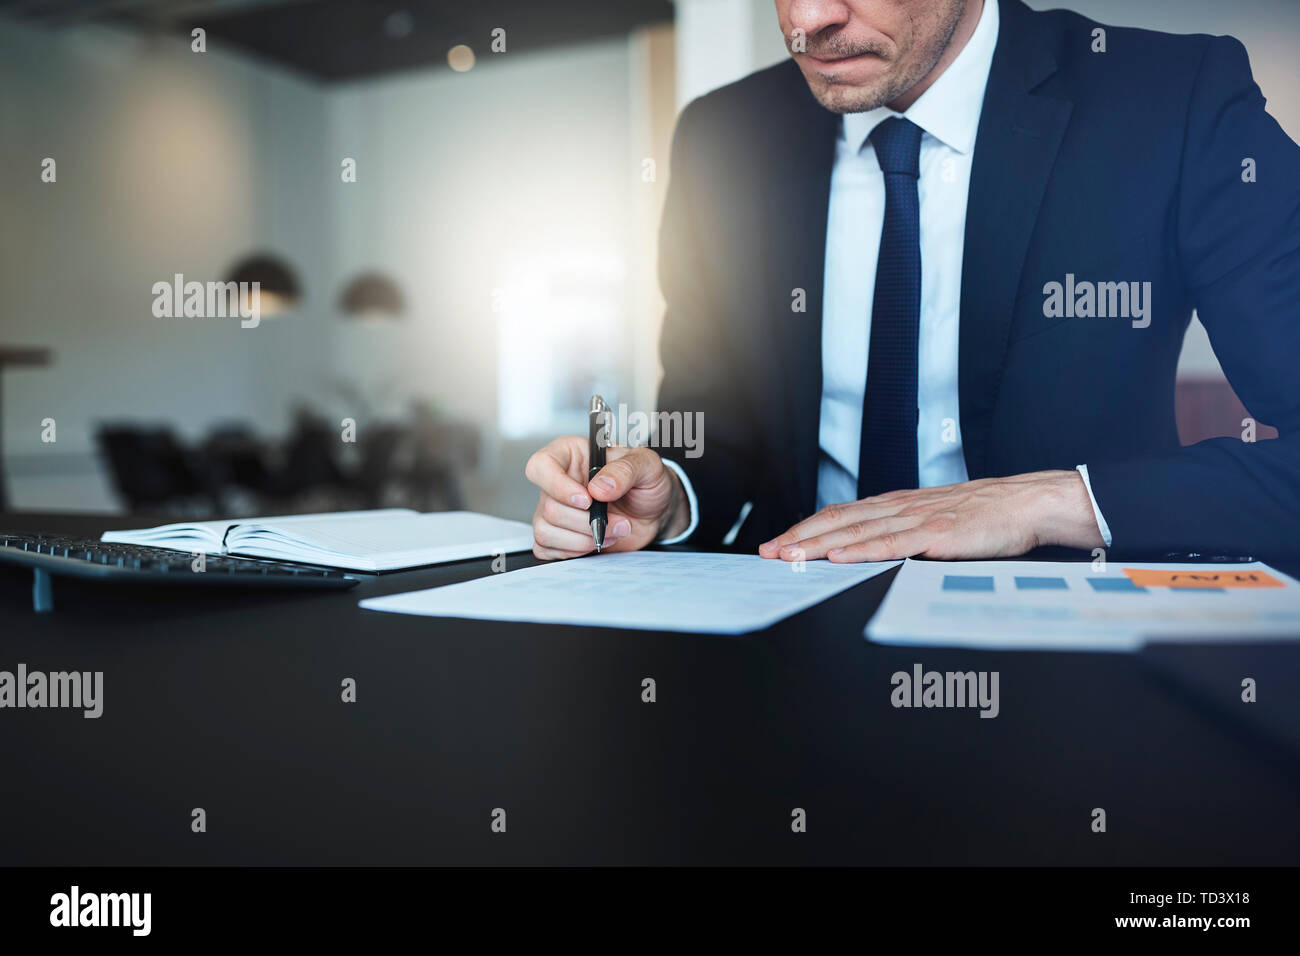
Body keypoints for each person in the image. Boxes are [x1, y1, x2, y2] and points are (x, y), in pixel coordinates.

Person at [526, 0, 1300, 563]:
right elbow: (719, 437)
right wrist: (666, 495)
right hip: (786, 648)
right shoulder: (722, 136)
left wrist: (1054, 502)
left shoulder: (1174, 100)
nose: (810, 18)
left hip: (1074, 676)